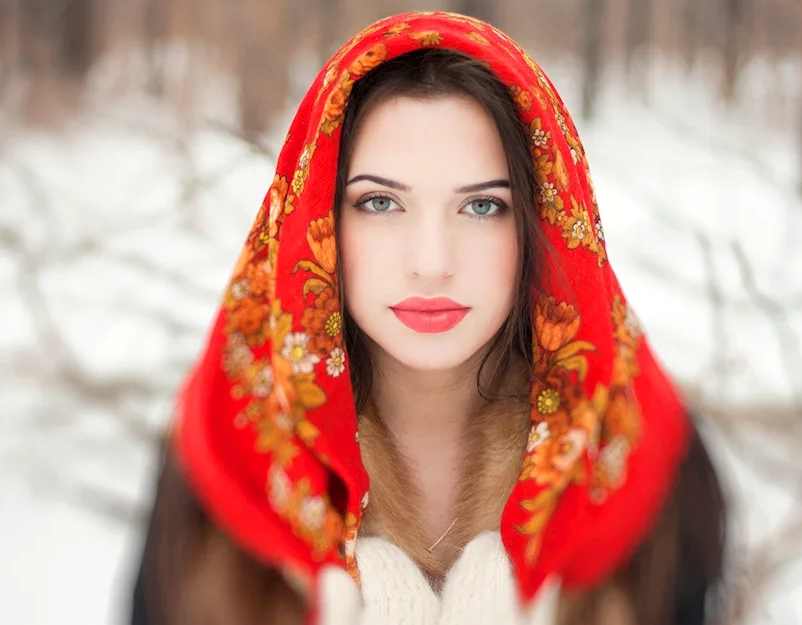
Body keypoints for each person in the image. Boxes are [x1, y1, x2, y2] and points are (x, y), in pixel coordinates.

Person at [129, 11, 727, 625]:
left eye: (483, 205)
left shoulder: (643, 454)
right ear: (318, 217)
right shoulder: (226, 447)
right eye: (381, 202)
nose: (432, 263)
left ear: (547, 221)